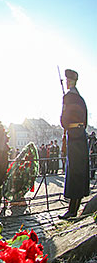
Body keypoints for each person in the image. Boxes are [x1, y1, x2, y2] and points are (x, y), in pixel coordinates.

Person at [58, 69, 90, 219]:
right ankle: (74, 207)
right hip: (81, 135)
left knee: (74, 172)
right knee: (79, 171)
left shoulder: (68, 97)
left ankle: (72, 211)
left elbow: (63, 121)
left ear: (70, 81)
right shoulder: (81, 99)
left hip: (74, 136)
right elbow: (86, 120)